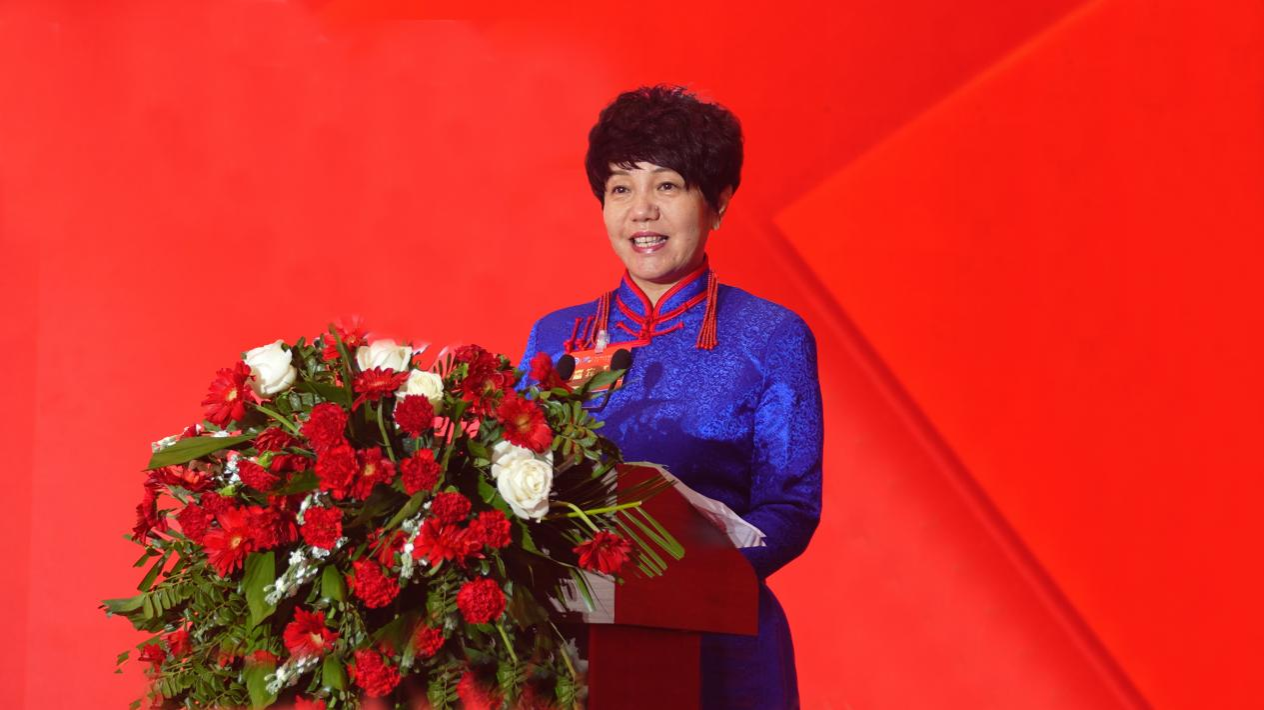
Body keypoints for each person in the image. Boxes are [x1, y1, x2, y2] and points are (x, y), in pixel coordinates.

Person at [518, 84, 823, 710]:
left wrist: (684, 578)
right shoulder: (554, 336)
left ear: (718, 204)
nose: (642, 211)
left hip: (718, 647)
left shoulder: (771, 335)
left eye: (667, 185)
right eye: (620, 189)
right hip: (569, 649)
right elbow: (514, 472)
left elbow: (790, 508)